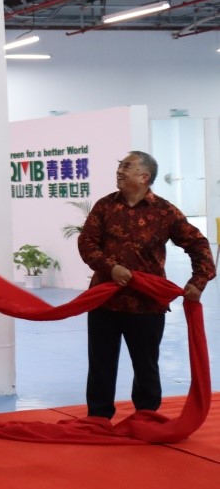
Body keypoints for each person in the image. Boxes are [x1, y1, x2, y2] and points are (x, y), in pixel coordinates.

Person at [77, 150, 214, 420]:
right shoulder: (105, 206)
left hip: (146, 303)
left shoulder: (164, 211)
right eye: (120, 165)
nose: (119, 170)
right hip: (104, 301)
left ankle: (147, 416)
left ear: (144, 176)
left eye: (127, 166)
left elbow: (198, 243)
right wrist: (111, 268)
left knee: (146, 365)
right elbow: (87, 243)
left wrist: (198, 281)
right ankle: (98, 418)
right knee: (101, 363)